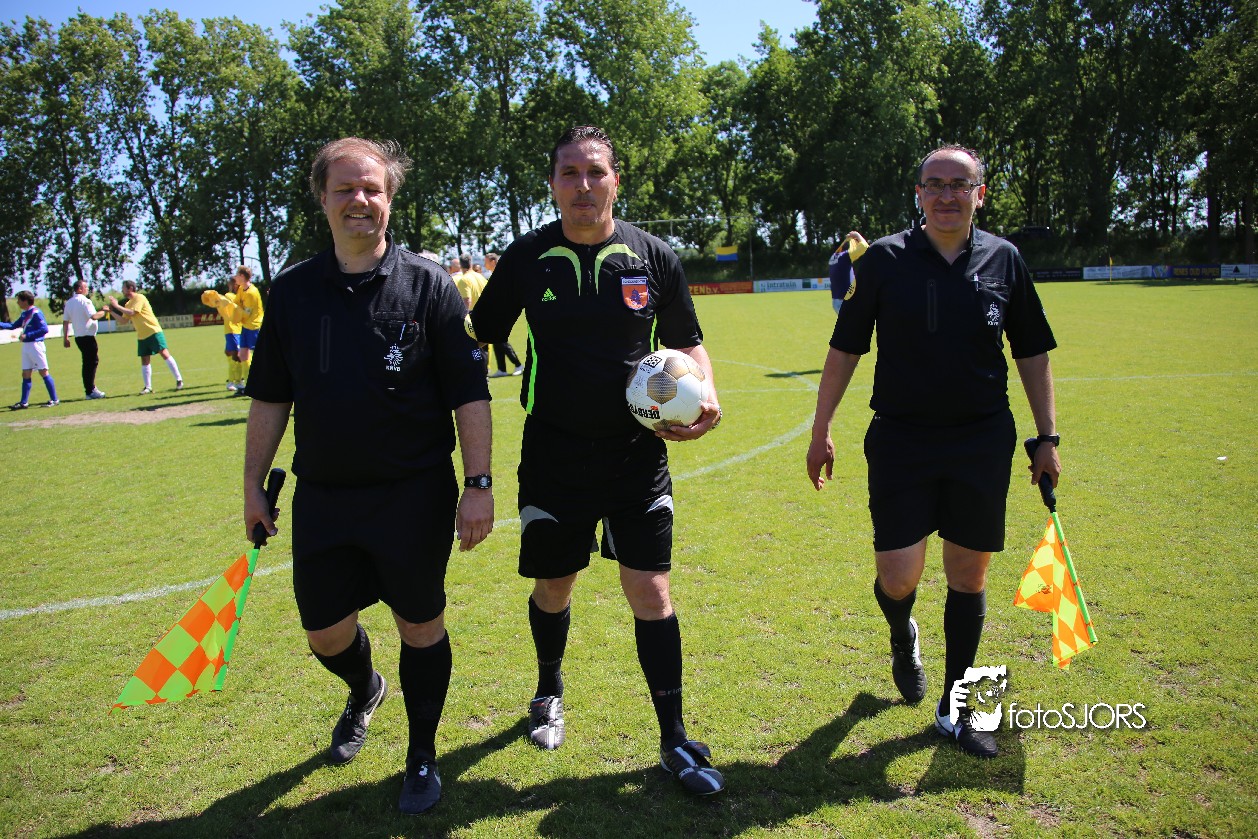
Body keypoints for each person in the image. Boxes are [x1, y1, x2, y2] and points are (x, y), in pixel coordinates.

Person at [470, 125, 726, 795]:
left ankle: (674, 737)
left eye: (595, 172)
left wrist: (707, 391)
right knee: (554, 585)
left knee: (652, 590)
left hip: (637, 454)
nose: (583, 185)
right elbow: (480, 334)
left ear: (616, 180)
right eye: (569, 173)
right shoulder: (527, 257)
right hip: (552, 454)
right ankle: (548, 690)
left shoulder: (653, 256)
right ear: (553, 184)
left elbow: (687, 341)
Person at [242, 137, 493, 816]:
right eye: (346, 189)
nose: (360, 200)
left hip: (413, 494)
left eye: (373, 189)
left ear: (390, 199)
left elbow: (469, 394)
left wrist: (478, 485)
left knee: (420, 623)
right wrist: (252, 485)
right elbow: (270, 397)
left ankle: (422, 753)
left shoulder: (430, 285)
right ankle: (364, 686)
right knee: (324, 632)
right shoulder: (292, 292)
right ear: (322, 198)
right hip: (324, 495)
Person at [806, 144, 1061, 759]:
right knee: (899, 578)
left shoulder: (1005, 258)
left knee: (969, 575)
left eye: (959, 184)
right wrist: (821, 429)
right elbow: (845, 348)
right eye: (935, 184)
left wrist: (1047, 436)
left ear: (980, 194)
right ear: (918, 194)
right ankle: (903, 632)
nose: (947, 195)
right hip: (901, 440)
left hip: (981, 439)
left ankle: (956, 707)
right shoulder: (884, 260)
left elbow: (1031, 351)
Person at [106, 281, 183, 394]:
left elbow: (133, 312)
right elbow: (123, 321)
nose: (122, 290)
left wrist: (117, 306)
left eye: (123, 288)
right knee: (144, 359)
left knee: (164, 353)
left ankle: (179, 379)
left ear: (130, 288)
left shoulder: (139, 298)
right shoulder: (128, 304)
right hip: (142, 335)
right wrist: (111, 311)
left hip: (153, 331)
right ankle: (148, 387)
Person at [3, 290, 60, 409]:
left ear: (25, 301)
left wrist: (27, 335)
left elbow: (44, 329)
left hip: (36, 345)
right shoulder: (25, 314)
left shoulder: (36, 313)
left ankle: (54, 399)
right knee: (26, 373)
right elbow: (13, 326)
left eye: (19, 300)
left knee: (43, 372)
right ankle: (24, 402)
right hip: (27, 346)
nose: (17, 302)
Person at [61, 279, 108, 399]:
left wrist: (65, 337)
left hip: (79, 337)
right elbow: (94, 316)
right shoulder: (85, 301)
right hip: (88, 336)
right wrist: (104, 311)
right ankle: (90, 390)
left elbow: (65, 321)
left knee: (87, 362)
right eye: (85, 287)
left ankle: (90, 389)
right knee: (91, 362)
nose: (87, 289)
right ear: (80, 289)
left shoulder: (69, 303)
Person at [483, 252, 523, 378]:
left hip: (501, 312)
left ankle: (518, 365)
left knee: (500, 340)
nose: (484, 264)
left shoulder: (502, 274)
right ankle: (502, 368)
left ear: (493, 261)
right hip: (494, 312)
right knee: (495, 340)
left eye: (486, 261)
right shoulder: (493, 275)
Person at [202, 275, 244, 392]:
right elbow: (219, 301)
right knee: (236, 355)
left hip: (237, 329)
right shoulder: (229, 296)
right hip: (233, 330)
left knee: (230, 353)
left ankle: (235, 379)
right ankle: (235, 381)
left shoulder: (240, 296)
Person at [231, 265, 264, 396]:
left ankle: (261, 383)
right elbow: (236, 303)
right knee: (243, 355)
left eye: (237, 275)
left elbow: (246, 313)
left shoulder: (251, 292)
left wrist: (235, 318)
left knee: (259, 357)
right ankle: (248, 386)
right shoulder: (241, 289)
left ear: (242, 276)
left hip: (254, 326)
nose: (235, 278)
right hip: (246, 326)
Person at [828, 231, 868, 318]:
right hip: (846, 300)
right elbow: (864, 247)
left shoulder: (832, 258)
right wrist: (857, 235)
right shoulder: (845, 256)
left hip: (836, 301)